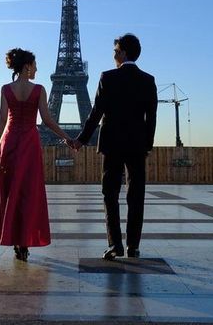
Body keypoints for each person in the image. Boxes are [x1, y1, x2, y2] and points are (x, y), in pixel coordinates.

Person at [70, 33, 157, 260]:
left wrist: (81, 139)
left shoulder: (107, 78)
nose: (113, 55)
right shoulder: (148, 80)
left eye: (116, 51)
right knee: (136, 195)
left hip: (112, 144)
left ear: (124, 53)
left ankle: (115, 244)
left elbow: (96, 113)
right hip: (137, 145)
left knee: (110, 194)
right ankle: (133, 246)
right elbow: (152, 119)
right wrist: (147, 145)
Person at [0, 48, 72, 261]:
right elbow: (48, 120)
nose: (36, 69)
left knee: (9, 192)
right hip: (30, 144)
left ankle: (15, 239)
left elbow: (1, 120)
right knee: (27, 194)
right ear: (26, 66)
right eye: (34, 65)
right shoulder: (39, 90)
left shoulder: (6, 89)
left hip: (10, 143)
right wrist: (66, 137)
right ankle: (24, 241)